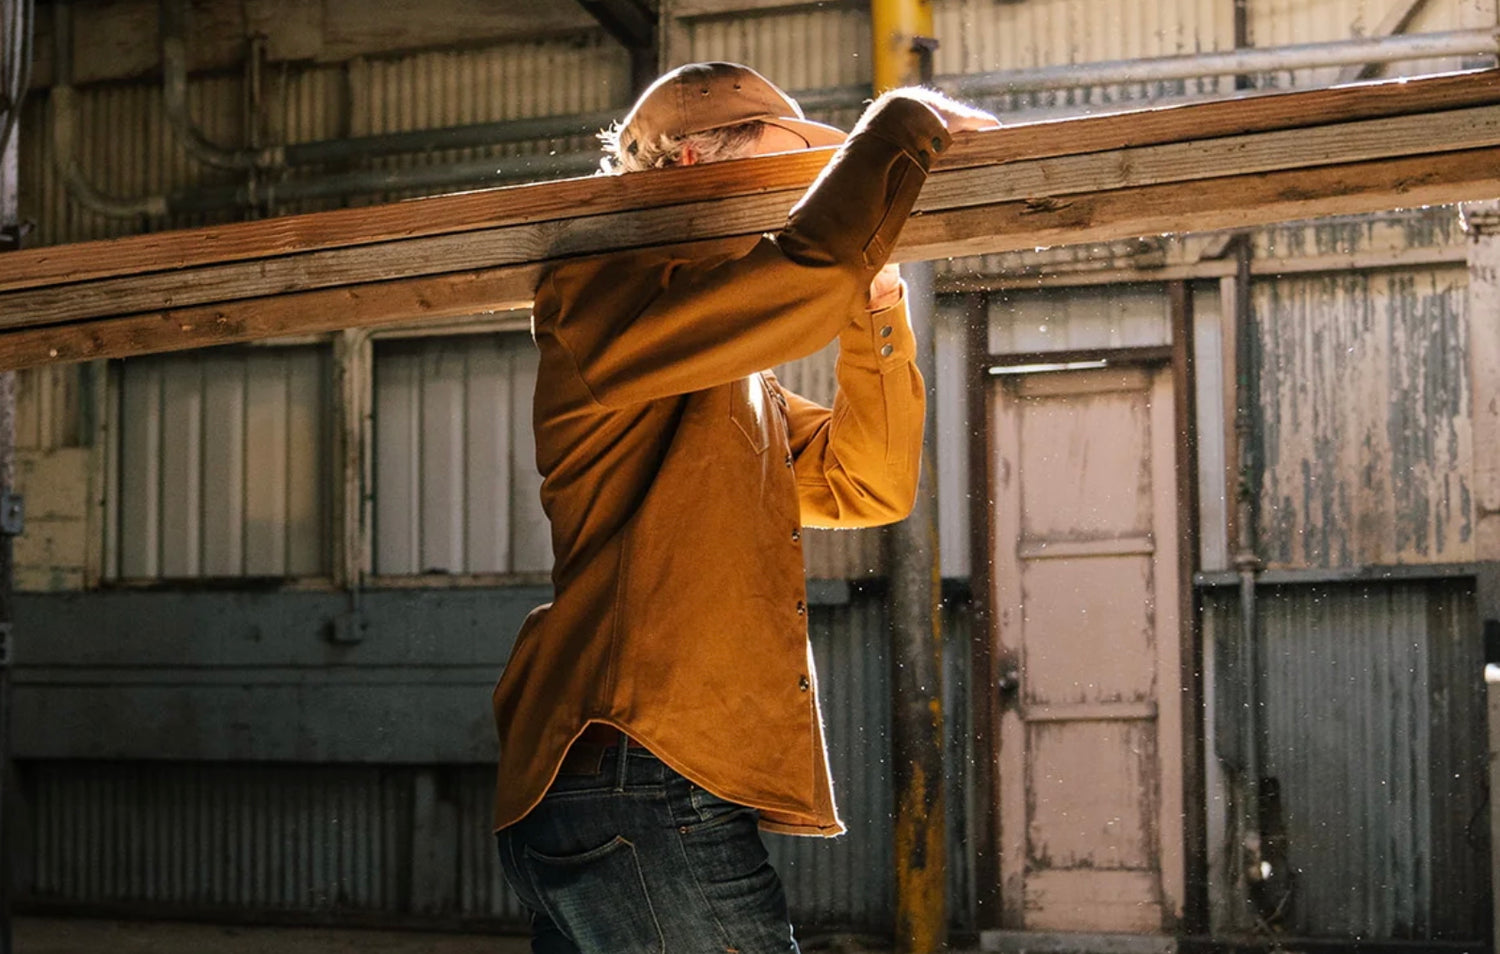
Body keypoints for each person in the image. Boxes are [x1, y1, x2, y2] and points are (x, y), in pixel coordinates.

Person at [491, 61, 998, 954]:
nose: (791, 202)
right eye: (777, 173)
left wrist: (872, 306)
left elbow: (866, 482)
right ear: (692, 163)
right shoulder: (601, 280)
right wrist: (906, 121)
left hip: (627, 784)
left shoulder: (718, 381)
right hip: (640, 768)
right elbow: (804, 277)